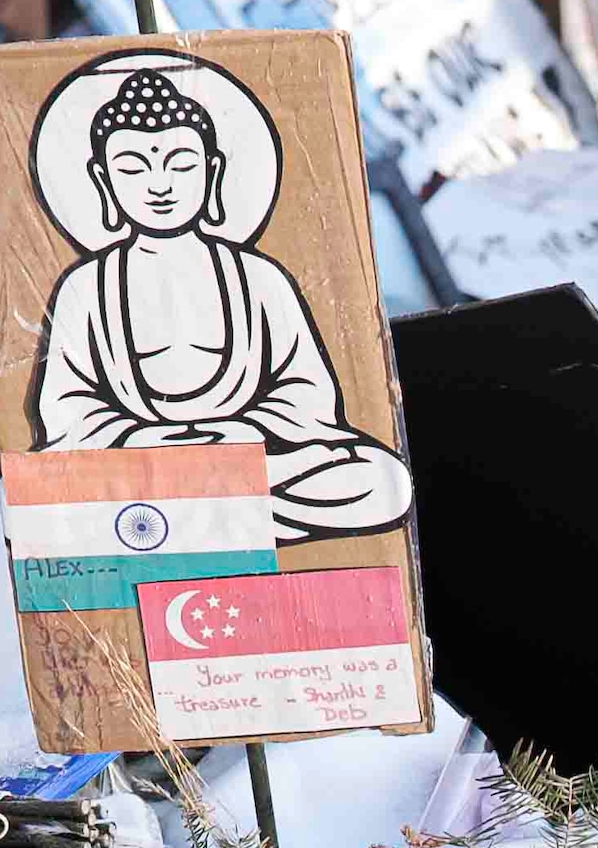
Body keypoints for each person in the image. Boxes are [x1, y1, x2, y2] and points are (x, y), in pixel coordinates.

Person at [28, 59, 412, 541]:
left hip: (257, 466)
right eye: (133, 168)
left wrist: (243, 433)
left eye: (181, 164)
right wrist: (139, 438)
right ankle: (216, 519)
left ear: (212, 171)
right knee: (29, 500)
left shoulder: (259, 277)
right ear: (103, 180)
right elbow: (67, 410)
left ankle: (178, 527)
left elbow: (308, 395)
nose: (160, 185)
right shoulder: (85, 288)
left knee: (386, 483)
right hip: (147, 471)